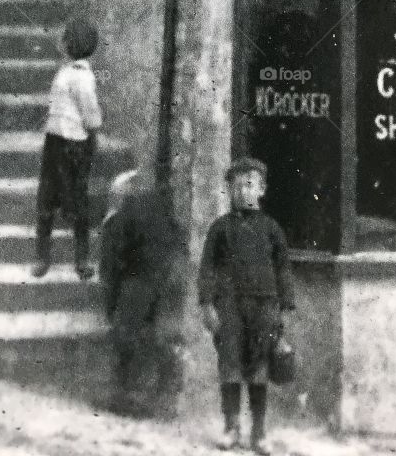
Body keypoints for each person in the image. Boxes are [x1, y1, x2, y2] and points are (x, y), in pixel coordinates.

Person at [198, 157, 295, 455]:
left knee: (259, 368)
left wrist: (285, 308)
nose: (243, 191)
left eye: (249, 185)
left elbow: (283, 270)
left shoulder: (272, 229)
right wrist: (207, 305)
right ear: (228, 189)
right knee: (229, 366)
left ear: (262, 189)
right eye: (236, 185)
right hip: (228, 307)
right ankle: (231, 428)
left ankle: (259, 432)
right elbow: (207, 269)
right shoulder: (219, 229)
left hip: (264, 306)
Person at [98, 168, 187, 418]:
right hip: (166, 276)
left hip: (139, 280)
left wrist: (113, 302)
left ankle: (127, 395)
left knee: (127, 336)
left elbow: (111, 266)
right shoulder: (157, 212)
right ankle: (164, 396)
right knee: (160, 338)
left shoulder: (118, 219)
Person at [33, 19, 103, 280]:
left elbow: (91, 114)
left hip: (74, 144)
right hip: (55, 141)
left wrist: (92, 132)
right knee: (46, 197)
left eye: (65, 39)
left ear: (72, 44)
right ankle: (42, 256)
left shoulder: (83, 77)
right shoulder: (64, 72)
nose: (62, 43)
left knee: (78, 199)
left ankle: (81, 260)